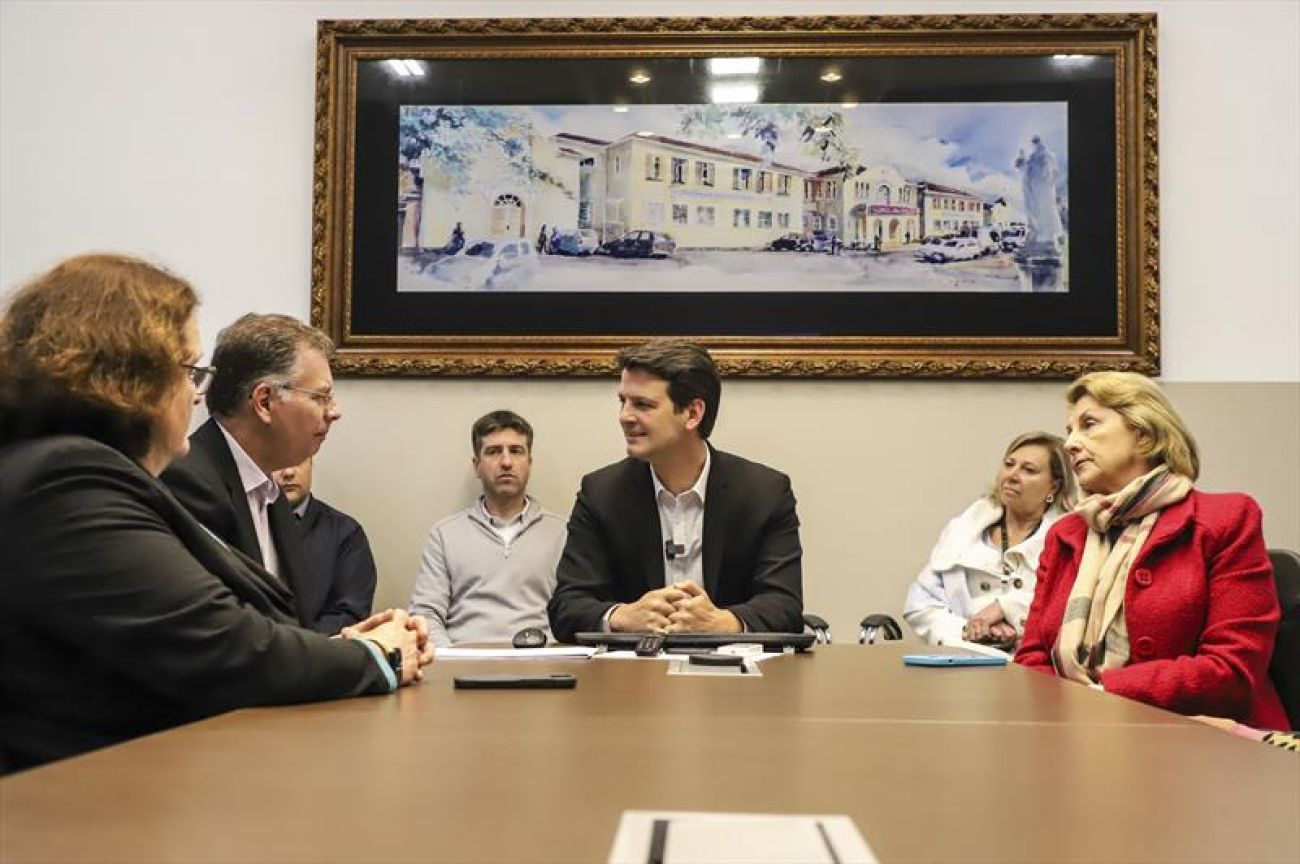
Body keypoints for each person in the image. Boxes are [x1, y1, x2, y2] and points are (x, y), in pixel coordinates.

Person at [0, 254, 431, 773]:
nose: (196, 394)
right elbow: (222, 643)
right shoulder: (68, 479)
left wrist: (340, 647)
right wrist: (375, 656)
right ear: (128, 378)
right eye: (188, 371)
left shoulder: (67, 471)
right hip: (83, 811)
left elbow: (244, 626)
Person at [1016, 371, 1288, 728]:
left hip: (1206, 745)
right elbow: (1032, 656)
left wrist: (1098, 696)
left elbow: (1231, 671)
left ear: (1143, 433)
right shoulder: (1066, 534)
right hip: (1073, 734)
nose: (1070, 444)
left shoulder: (1227, 519)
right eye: (1070, 431)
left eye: (1089, 425)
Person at [547, 339, 804, 643]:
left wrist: (725, 623)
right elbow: (566, 606)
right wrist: (621, 617)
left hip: (732, 677)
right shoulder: (602, 494)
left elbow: (785, 607)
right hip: (632, 679)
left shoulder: (764, 493)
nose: (624, 417)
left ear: (692, 414)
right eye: (623, 401)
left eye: (642, 404)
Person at [161, 314, 341, 631]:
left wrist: (349, 646)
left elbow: (289, 627)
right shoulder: (189, 483)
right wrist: (362, 656)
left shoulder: (268, 490)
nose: (334, 411)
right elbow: (225, 632)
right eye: (320, 397)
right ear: (264, 401)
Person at [903, 432, 1076, 649]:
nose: (1012, 475)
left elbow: (1068, 607)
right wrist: (970, 630)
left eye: (1028, 470)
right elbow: (920, 604)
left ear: (1053, 487)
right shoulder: (964, 529)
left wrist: (1006, 610)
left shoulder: (1069, 539)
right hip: (961, 660)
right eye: (1009, 464)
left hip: (1035, 667)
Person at [409, 411, 566, 647]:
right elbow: (425, 614)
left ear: (529, 463)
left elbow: (574, 611)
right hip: (462, 663)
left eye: (516, 451)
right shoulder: (444, 535)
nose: (506, 462)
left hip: (541, 659)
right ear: (477, 466)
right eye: (493, 452)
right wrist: (451, 659)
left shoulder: (563, 533)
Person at [272, 456, 377, 634]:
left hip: (320, 655)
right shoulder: (243, 526)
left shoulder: (345, 533)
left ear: (311, 462)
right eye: (278, 462)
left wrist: (295, 646)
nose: (288, 473)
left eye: (298, 460)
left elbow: (351, 614)